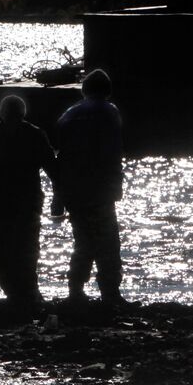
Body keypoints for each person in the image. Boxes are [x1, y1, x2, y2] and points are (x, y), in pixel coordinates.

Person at [0, 95, 56, 306]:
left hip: (2, 198)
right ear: (23, 112)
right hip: (28, 198)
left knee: (7, 242)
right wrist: (60, 197)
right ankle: (29, 291)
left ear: (2, 113)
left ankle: (17, 290)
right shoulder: (35, 134)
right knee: (28, 244)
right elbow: (52, 168)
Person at [54, 69, 125, 307]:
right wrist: (116, 186)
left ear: (84, 90)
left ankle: (75, 290)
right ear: (107, 90)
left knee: (83, 241)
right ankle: (110, 293)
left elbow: (61, 159)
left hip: (74, 190)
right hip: (100, 188)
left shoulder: (67, 116)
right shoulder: (109, 111)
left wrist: (59, 195)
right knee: (108, 242)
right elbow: (112, 152)